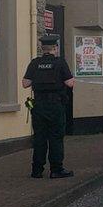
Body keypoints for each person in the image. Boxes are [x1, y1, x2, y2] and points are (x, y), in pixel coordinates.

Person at [22, 35, 75, 179]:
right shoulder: (60, 63)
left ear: (42, 48)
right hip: (55, 106)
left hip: (38, 106)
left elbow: (25, 83)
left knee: (39, 137)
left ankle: (37, 170)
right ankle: (56, 169)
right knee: (56, 138)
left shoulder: (35, 63)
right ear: (55, 48)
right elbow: (70, 83)